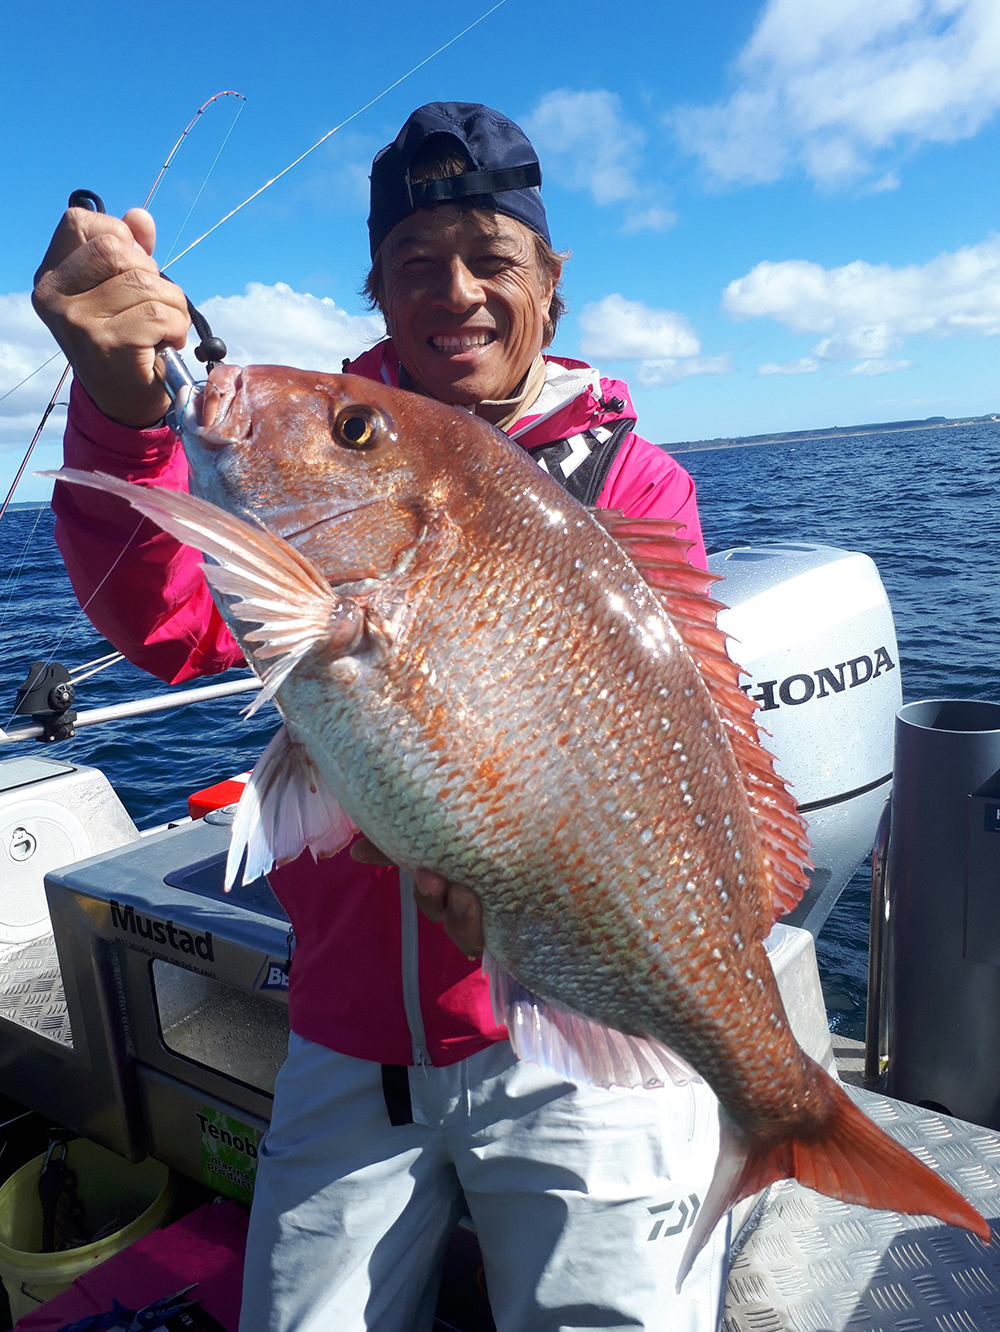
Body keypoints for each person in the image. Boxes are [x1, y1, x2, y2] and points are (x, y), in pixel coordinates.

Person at [34, 103, 727, 1332]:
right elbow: (166, 622)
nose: (454, 290)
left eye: (489, 257)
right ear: (375, 288)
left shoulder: (633, 482)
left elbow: (672, 758)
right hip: (350, 1039)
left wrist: (528, 892)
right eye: (415, 264)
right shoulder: (324, 446)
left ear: (550, 286)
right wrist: (122, 418)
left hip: (579, 1036)